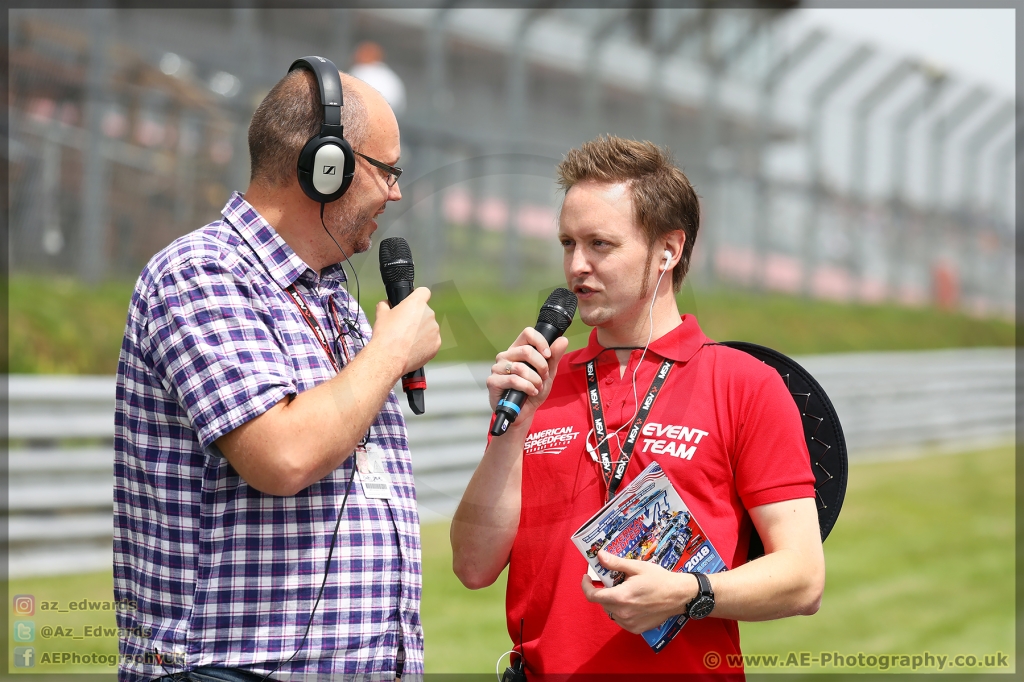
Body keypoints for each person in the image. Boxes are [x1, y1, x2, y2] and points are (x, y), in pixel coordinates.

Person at [114, 57, 440, 682]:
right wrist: (390, 351)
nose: (396, 192)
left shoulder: (331, 297)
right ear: (327, 166)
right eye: (387, 170)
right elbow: (282, 454)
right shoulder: (202, 273)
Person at [451, 136, 824, 678]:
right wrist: (511, 431)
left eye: (601, 244)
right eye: (567, 242)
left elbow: (803, 577)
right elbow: (471, 566)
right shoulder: (537, 386)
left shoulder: (745, 385)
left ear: (668, 251)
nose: (577, 266)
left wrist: (690, 592)